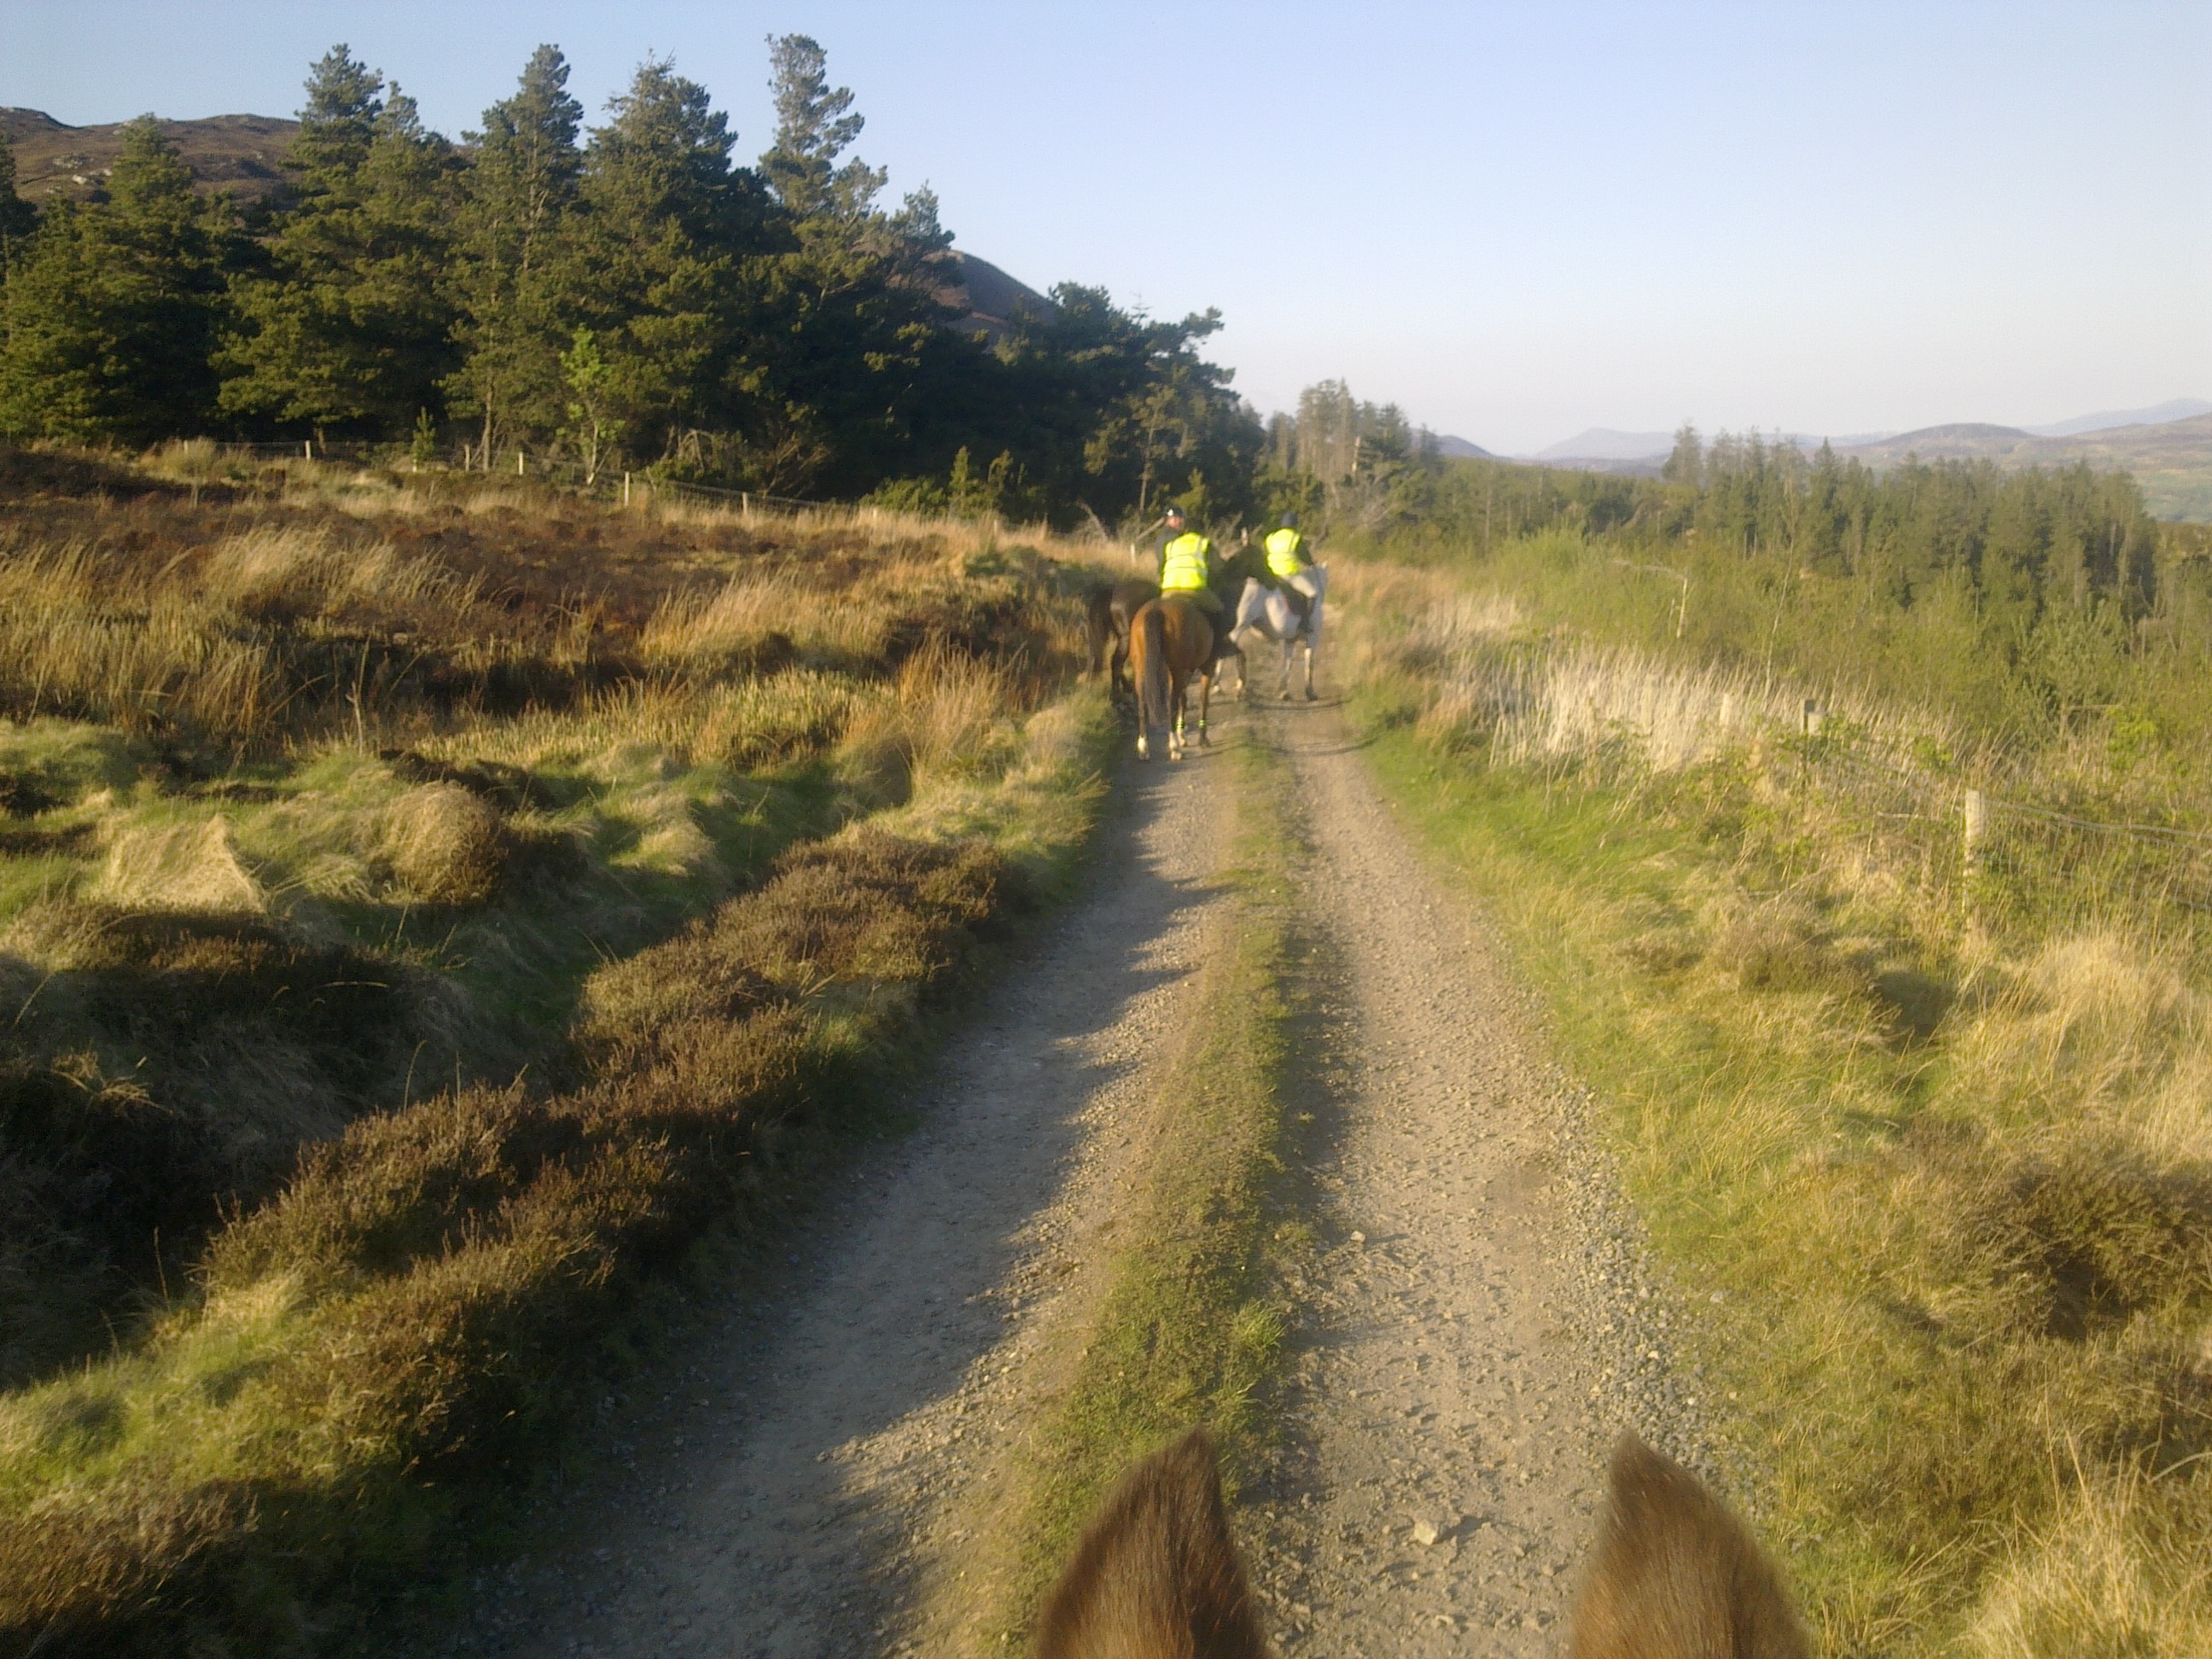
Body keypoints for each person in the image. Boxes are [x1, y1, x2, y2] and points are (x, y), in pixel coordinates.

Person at [1153, 505, 1227, 637]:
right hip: (1194, 588)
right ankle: (1220, 642)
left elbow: (1162, 564)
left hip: (1168, 587)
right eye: (1176, 518)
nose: (1179, 521)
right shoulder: (1200, 542)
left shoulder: (1170, 543)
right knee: (1220, 611)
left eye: (1180, 519)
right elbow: (1218, 567)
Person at [1262, 512, 1319, 625]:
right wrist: (1311, 563)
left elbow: (1266, 554)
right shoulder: (1294, 537)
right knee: (1312, 593)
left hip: (1272, 574)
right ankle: (1305, 623)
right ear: (1294, 525)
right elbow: (1304, 555)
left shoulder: (1271, 537)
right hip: (1289, 574)